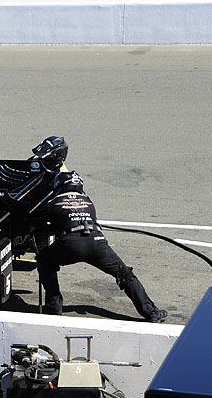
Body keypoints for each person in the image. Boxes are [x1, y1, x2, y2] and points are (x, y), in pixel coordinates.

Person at [31, 136, 168, 323]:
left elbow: (41, 228)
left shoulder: (53, 203)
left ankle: (54, 309)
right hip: (97, 241)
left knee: (44, 261)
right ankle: (151, 312)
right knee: (124, 273)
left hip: (70, 244)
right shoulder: (86, 200)